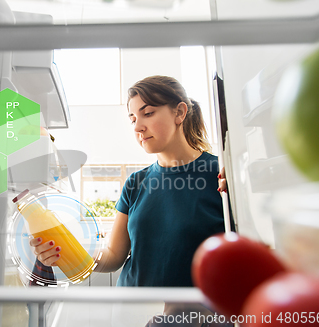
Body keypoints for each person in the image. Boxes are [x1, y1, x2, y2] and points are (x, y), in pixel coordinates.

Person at [30, 75, 228, 287]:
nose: (137, 127)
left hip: (194, 315)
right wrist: (65, 250)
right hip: (131, 309)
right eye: (133, 119)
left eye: (148, 113)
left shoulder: (221, 174)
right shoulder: (136, 182)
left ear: (179, 112)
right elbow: (113, 256)